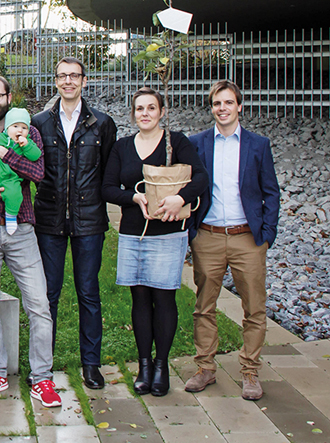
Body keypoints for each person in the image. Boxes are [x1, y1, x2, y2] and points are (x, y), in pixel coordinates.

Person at [0, 74, 62, 408]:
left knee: (39, 305)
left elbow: (38, 174)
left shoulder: (28, 131)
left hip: (21, 228)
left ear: (8, 96)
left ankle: (42, 379)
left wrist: (5, 153)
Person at [102, 87, 208, 396]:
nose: (145, 113)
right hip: (134, 232)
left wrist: (179, 198)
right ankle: (144, 365)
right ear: (133, 113)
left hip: (168, 232)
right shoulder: (122, 147)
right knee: (139, 300)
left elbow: (200, 178)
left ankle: (162, 366)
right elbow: (107, 188)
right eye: (139, 108)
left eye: (151, 108)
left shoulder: (177, 143)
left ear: (161, 111)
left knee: (163, 299)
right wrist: (134, 197)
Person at [184, 80, 280, 401]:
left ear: (239, 106)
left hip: (247, 238)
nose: (222, 108)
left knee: (254, 308)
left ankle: (250, 371)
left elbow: (271, 193)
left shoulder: (258, 144)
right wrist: (192, 232)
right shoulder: (197, 144)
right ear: (211, 108)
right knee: (203, 306)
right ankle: (205, 367)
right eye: (216, 103)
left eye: (228, 102)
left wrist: (266, 235)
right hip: (208, 236)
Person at [30, 57, 117, 389]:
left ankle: (91, 364)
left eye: (74, 76)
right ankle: (43, 368)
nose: (68, 81)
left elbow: (107, 170)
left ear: (84, 81)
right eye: (62, 76)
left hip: (90, 220)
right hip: (50, 219)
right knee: (47, 295)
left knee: (88, 293)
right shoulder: (40, 123)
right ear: (55, 81)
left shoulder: (102, 123)